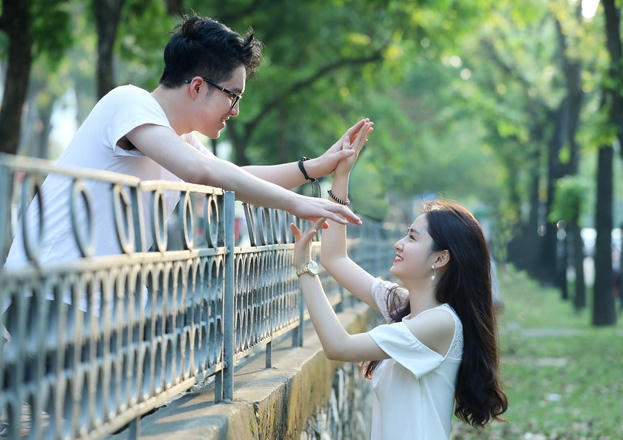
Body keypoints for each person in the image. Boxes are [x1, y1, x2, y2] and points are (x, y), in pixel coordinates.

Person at [4, 15, 365, 271]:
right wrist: (297, 204)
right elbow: (203, 171)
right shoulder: (128, 102)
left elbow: (232, 176)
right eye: (233, 96)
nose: (236, 110)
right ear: (197, 86)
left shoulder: (178, 138)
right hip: (48, 287)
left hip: (94, 297)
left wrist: (313, 167)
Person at [289, 123, 508, 439]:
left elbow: (339, 346)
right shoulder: (406, 306)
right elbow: (335, 258)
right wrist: (342, 175)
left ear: (439, 258)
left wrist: (304, 270)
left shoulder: (441, 323)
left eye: (412, 238)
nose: (399, 243)